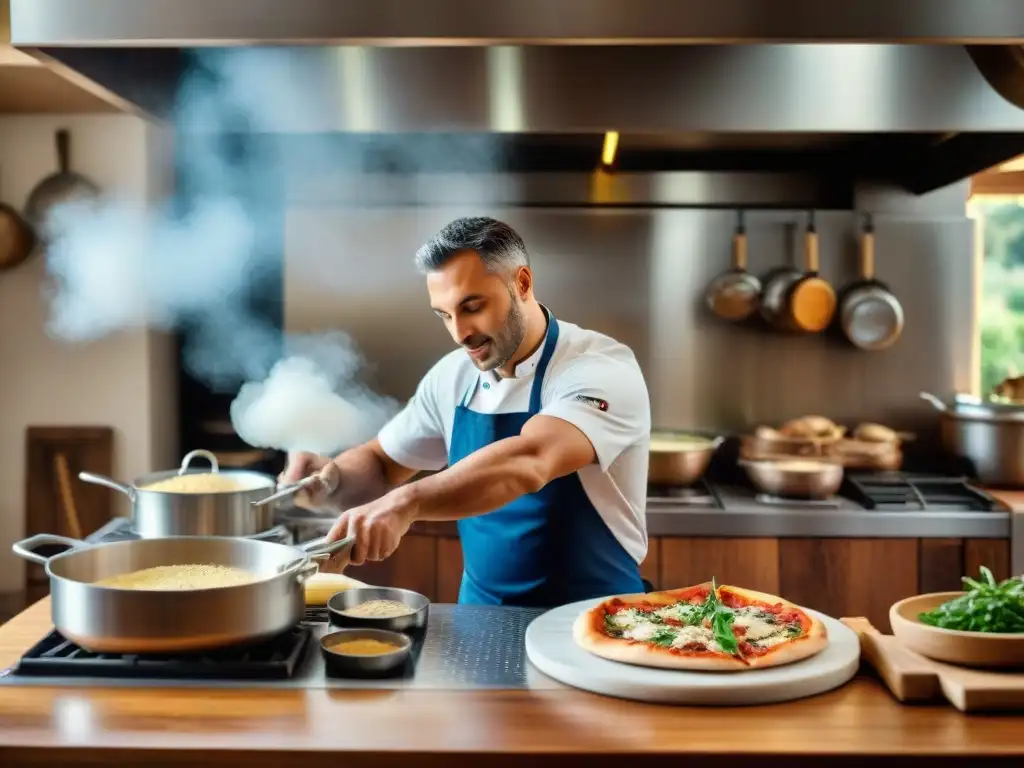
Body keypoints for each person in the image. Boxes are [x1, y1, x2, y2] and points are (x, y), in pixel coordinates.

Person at [282, 216, 651, 607]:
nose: (459, 333)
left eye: (472, 307)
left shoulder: (600, 367)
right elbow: (381, 462)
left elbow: (531, 460)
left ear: (522, 283)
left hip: (596, 617)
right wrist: (329, 480)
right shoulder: (453, 376)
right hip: (480, 618)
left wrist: (407, 503)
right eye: (443, 315)